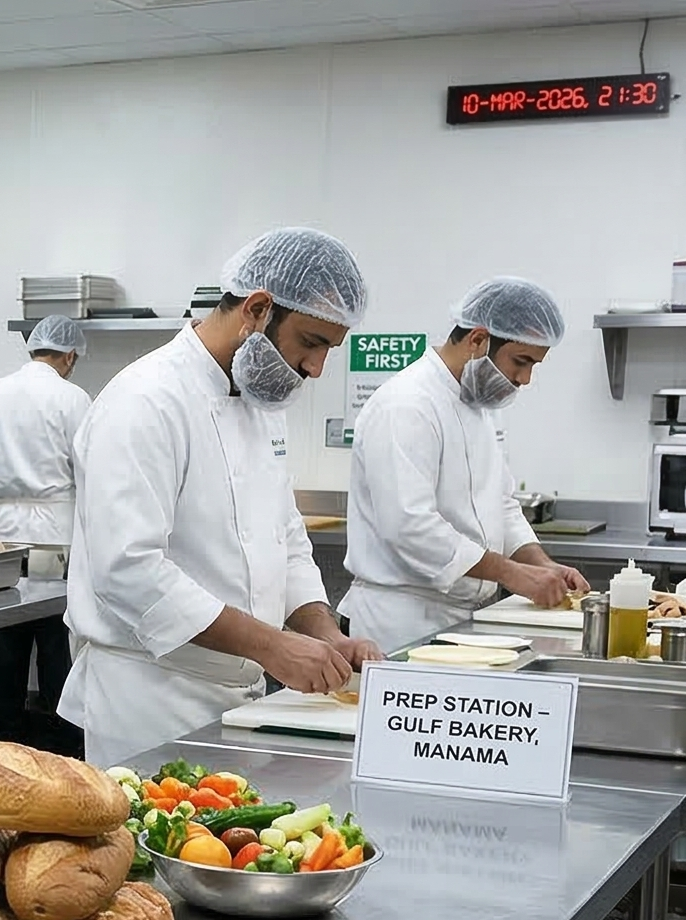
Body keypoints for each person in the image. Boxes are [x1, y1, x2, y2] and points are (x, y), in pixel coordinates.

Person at [60, 227, 385, 769]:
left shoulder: (261, 407)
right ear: (257, 309)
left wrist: (325, 635)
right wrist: (272, 645)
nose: (316, 368)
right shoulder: (146, 401)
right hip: (150, 700)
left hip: (240, 695)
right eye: (311, 343)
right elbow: (128, 569)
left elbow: (284, 539)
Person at [342, 278, 587, 657]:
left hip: (461, 619)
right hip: (399, 620)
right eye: (521, 362)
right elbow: (410, 526)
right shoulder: (406, 405)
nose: (524, 379)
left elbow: (501, 505)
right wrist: (512, 574)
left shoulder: (480, 406)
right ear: (478, 340)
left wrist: (542, 565)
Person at [0, 315, 88, 753]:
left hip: (3, 530)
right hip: (57, 529)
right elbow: (89, 465)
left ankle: (2, 738)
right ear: (68, 356)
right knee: (56, 636)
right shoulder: (73, 399)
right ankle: (63, 743)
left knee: (6, 634)